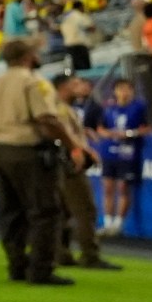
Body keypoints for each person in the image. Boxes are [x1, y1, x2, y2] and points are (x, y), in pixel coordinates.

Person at [0, 39, 71, 286]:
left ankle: (17, 265)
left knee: (11, 211)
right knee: (44, 210)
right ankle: (40, 269)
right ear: (28, 57)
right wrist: (73, 145)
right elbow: (46, 119)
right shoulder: (33, 82)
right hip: (28, 150)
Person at [53, 77, 119, 271]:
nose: (82, 87)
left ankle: (61, 252)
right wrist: (82, 149)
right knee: (85, 209)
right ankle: (90, 254)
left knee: (63, 210)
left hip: (60, 162)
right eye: (75, 84)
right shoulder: (61, 109)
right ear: (63, 88)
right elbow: (63, 134)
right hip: (69, 162)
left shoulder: (61, 107)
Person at [98, 76, 148, 237]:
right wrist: (109, 134)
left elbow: (148, 128)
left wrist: (129, 134)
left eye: (127, 88)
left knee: (123, 187)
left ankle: (119, 224)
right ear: (114, 91)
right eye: (120, 88)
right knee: (107, 187)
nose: (124, 92)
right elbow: (100, 128)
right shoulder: (109, 108)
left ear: (132, 91)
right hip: (109, 152)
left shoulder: (139, 107)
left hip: (128, 153)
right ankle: (107, 223)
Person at [60, 0, 96, 74]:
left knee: (76, 70)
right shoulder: (80, 15)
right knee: (85, 70)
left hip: (68, 45)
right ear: (81, 7)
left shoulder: (66, 17)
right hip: (79, 44)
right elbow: (91, 28)